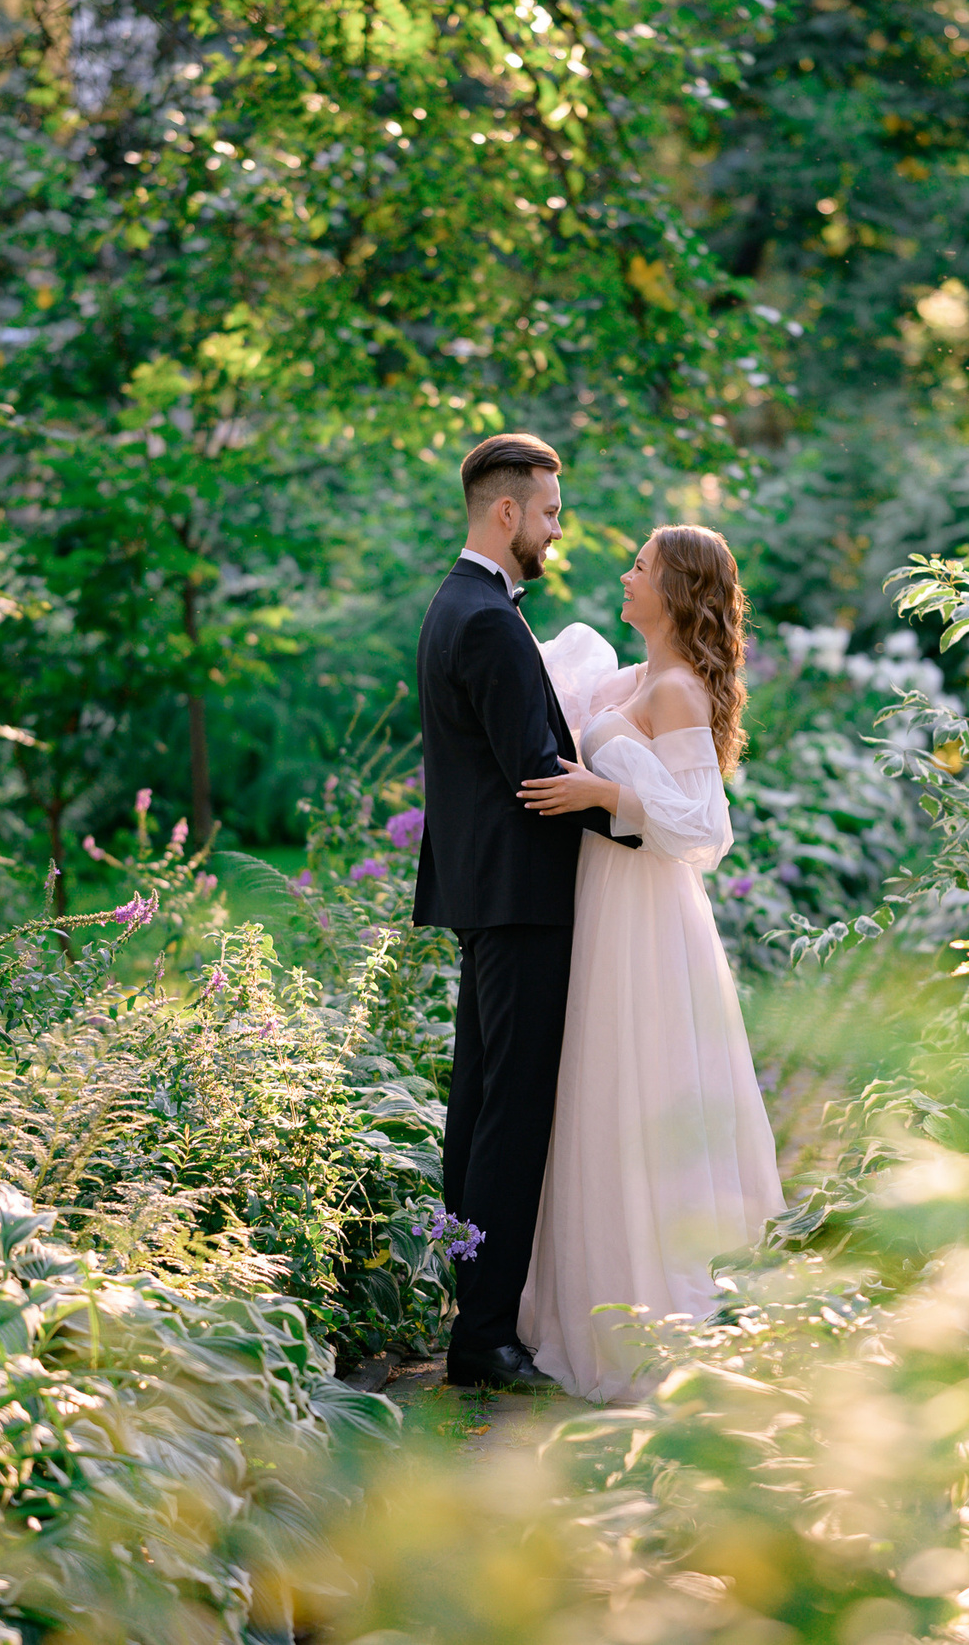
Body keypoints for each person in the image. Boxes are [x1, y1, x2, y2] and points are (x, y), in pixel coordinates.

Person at [513, 524, 787, 1402]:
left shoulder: (677, 690)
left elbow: (704, 826)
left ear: (674, 591)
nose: (625, 576)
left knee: (642, 1083)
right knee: (595, 1086)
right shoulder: (626, 678)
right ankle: (588, 1294)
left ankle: (656, 1310)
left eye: (641, 567)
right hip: (600, 897)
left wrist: (602, 790)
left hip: (647, 910)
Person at [413, 432, 633, 1390]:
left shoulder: (455, 605)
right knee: (511, 1113)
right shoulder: (489, 621)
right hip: (521, 898)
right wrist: (644, 816)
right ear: (506, 511)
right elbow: (538, 777)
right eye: (548, 513)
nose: (555, 530)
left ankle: (475, 1310)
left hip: (488, 893)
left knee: (479, 1103)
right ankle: (486, 1336)